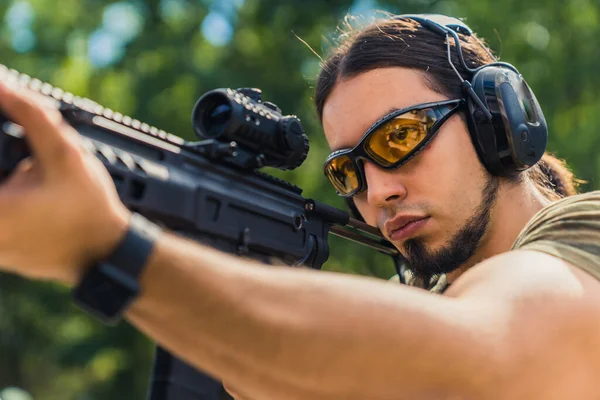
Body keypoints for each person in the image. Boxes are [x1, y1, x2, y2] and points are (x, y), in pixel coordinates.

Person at [0, 12, 599, 400]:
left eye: (399, 138)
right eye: (348, 171)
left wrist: (111, 248)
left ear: (501, 121)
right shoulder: (429, 316)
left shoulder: (585, 234)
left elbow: (481, 355)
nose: (376, 194)